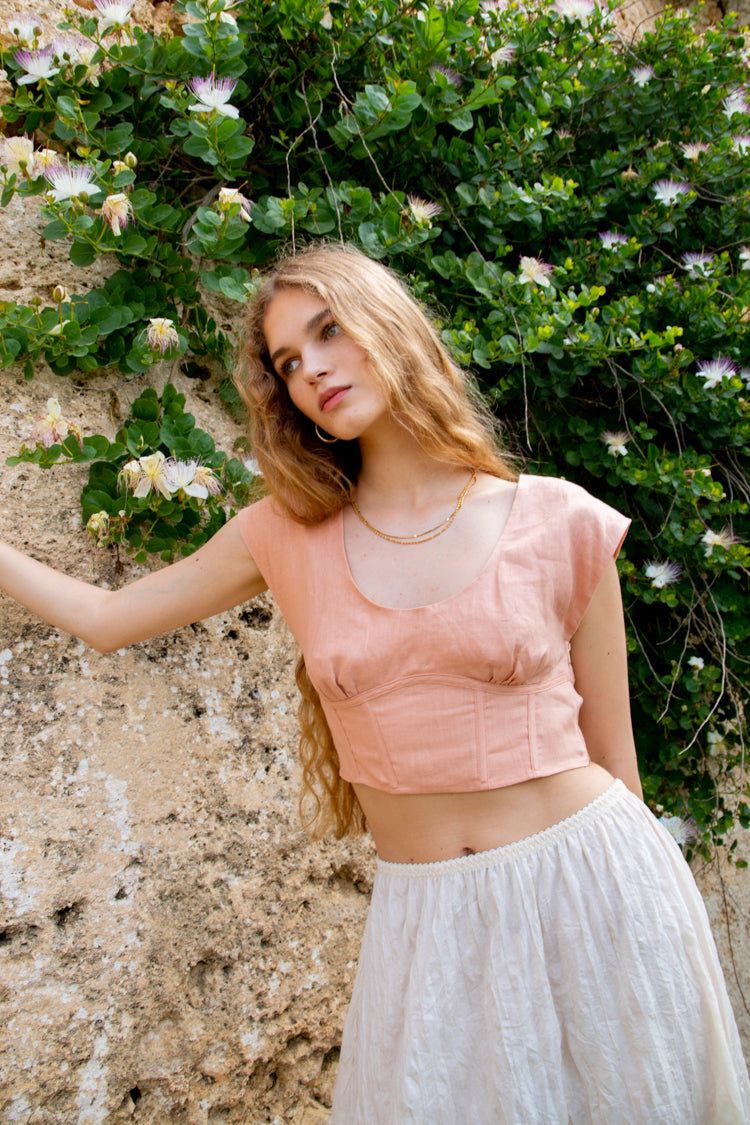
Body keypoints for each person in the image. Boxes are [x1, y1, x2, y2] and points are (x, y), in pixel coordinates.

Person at [1, 242, 748, 1124]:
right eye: (288, 361)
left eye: (329, 331)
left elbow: (617, 766)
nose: (312, 369)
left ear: (388, 326)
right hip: (426, 924)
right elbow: (106, 617)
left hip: (593, 888)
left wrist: (645, 945)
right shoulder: (283, 535)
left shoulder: (560, 518)